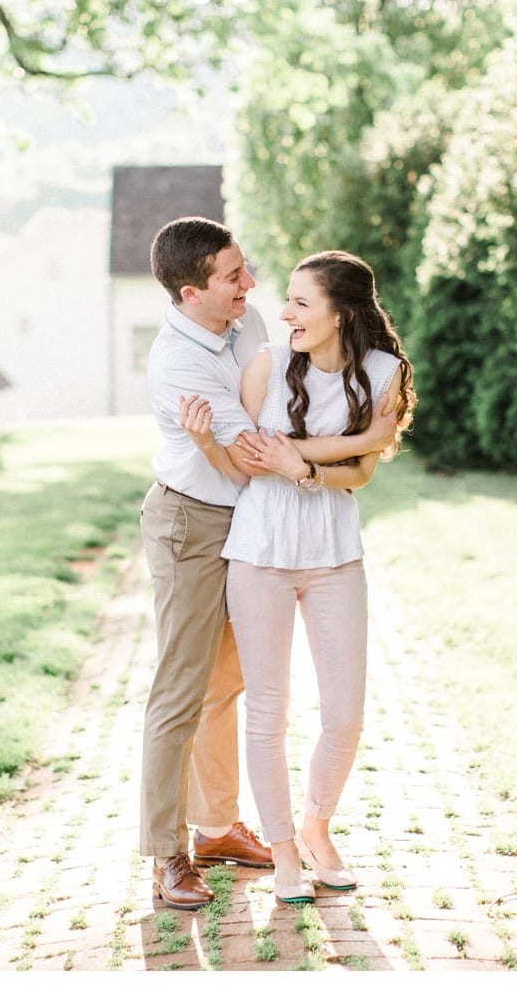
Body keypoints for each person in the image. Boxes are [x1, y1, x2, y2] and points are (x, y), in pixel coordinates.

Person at [140, 220, 397, 911]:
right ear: (193, 291)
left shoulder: (246, 321)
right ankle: (166, 851)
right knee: (184, 688)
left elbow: (301, 430)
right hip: (197, 519)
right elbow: (258, 451)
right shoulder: (178, 365)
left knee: (227, 685)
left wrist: (364, 440)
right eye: (234, 276)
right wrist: (352, 446)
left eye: (247, 270)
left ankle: (219, 827)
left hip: (262, 520)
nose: (251, 287)